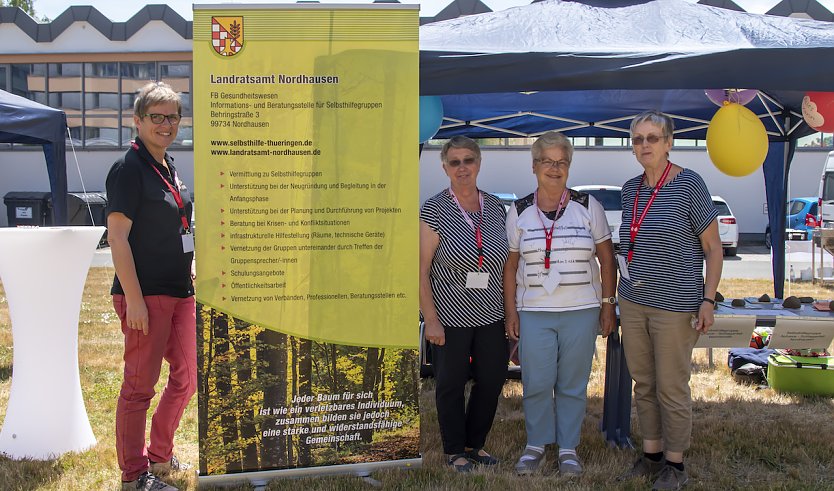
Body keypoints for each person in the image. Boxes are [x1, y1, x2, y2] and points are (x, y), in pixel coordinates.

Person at [617, 110, 722, 490]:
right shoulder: (631, 189)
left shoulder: (689, 184)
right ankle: (651, 456)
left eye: (652, 138)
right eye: (638, 139)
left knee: (671, 387)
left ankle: (675, 466)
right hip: (632, 300)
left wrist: (707, 300)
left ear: (668, 142)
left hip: (675, 305)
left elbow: (713, 248)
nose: (644, 145)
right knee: (642, 383)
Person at [504, 131, 617, 476]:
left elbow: (607, 259)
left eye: (562, 162)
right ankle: (536, 444)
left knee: (572, 382)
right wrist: (511, 312)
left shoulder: (588, 206)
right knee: (536, 381)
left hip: (581, 311)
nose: (555, 168)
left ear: (569, 166)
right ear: (535, 165)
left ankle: (568, 448)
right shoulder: (520, 210)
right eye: (548, 162)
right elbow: (510, 265)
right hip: (535, 311)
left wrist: (608, 304)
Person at [106, 81, 196, 491]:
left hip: (180, 291)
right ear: (138, 120)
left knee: (188, 376)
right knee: (140, 386)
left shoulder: (169, 165)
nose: (165, 124)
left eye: (172, 117)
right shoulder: (128, 169)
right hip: (145, 294)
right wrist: (135, 301)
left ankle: (159, 453)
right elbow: (119, 238)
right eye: (156, 117)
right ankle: (134, 474)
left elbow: (176, 228)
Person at [419, 136, 509, 472]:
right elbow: (421, 270)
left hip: (491, 313)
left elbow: (507, 263)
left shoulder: (496, 205)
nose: (462, 168)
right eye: (454, 162)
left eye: (468, 160)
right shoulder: (434, 209)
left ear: (479, 163)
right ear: (444, 167)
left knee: (492, 379)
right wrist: (431, 318)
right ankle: (454, 450)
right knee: (451, 383)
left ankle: (475, 444)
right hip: (450, 315)